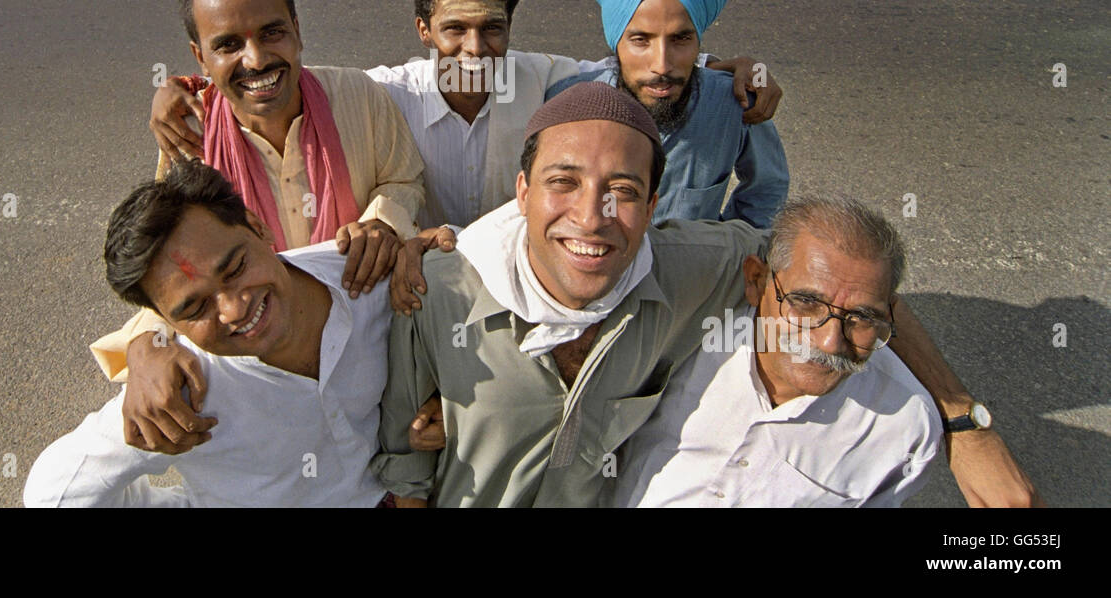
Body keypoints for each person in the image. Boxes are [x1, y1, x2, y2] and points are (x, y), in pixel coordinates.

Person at [374, 83, 1042, 508]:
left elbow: (844, 281)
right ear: (521, 193)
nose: (592, 215)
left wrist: (961, 420)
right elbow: (404, 461)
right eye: (563, 183)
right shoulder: (439, 287)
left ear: (654, 206)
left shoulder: (696, 270)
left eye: (625, 191)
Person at [150, 0, 782, 232]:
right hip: (420, 285)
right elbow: (284, 81)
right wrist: (187, 90)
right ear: (423, 29)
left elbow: (636, 66)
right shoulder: (381, 96)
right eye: (454, 29)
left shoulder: (549, 83)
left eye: (493, 29)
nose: (475, 49)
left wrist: (735, 68)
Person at [88, 0, 425, 453]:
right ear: (199, 58)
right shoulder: (190, 133)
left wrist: (382, 225)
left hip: (363, 338)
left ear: (297, 29)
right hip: (261, 355)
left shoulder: (357, 95)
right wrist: (146, 344)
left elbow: (403, 179)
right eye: (228, 45)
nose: (257, 60)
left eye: (271, 33)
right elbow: (172, 266)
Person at [24, 161, 394, 507]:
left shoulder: (371, 280)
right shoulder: (180, 393)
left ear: (257, 226)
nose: (234, 310)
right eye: (195, 308)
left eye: (235, 268)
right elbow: (55, 492)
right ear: (163, 318)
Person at [615, 196, 941, 507]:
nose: (830, 342)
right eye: (807, 303)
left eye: (862, 317)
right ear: (756, 281)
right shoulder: (685, 339)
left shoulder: (906, 426)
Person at [548, 0, 788, 229]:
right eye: (640, 40)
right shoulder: (567, 103)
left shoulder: (735, 103)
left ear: (698, 41)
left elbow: (766, 193)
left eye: (680, 39)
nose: (661, 65)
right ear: (616, 45)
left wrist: (729, 248)